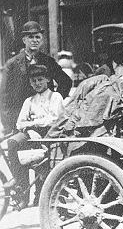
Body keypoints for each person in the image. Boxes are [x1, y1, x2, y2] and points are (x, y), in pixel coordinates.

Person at [3, 65, 64, 197]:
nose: (37, 83)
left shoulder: (56, 97)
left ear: (47, 79)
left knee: (43, 161)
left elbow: (55, 119)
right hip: (31, 134)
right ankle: (21, 185)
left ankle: (42, 194)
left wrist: (33, 123)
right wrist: (30, 129)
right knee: (13, 142)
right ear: (30, 83)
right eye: (34, 81)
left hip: (51, 134)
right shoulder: (29, 101)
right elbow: (20, 123)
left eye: (40, 79)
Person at [0, 21, 71, 133]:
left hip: (47, 122)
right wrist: (9, 125)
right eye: (31, 37)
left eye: (38, 37)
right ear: (24, 40)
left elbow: (66, 82)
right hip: (21, 122)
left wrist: (53, 100)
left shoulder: (49, 62)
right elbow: (4, 97)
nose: (35, 40)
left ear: (41, 41)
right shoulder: (12, 64)